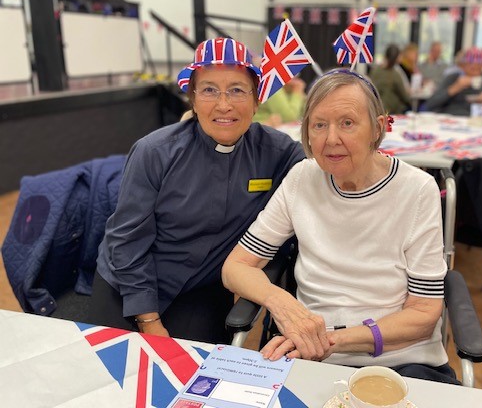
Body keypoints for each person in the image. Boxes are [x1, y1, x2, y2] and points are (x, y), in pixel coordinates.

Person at [222, 70, 457, 384]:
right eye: (319, 125)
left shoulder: (417, 189)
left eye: (347, 122)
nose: (331, 139)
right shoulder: (301, 179)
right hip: (305, 350)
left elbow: (424, 314)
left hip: (402, 360)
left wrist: (331, 341)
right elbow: (235, 267)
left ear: (376, 128)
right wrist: (284, 305)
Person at [89, 37, 305, 343]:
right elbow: (127, 243)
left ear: (257, 100)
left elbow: (322, 169)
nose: (224, 104)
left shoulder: (276, 151)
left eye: (237, 90)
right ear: (192, 99)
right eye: (209, 90)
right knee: (110, 376)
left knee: (196, 380)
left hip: (201, 289)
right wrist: (149, 321)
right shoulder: (155, 152)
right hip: (129, 282)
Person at [424, 47, 482, 115]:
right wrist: (455, 88)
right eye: (470, 63)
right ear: (462, 65)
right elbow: (430, 104)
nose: (475, 66)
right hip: (449, 118)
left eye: (479, 64)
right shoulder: (452, 78)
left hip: (473, 121)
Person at [369, 44, 411, 114]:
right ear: (397, 57)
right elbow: (405, 97)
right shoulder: (395, 74)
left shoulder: (375, 71)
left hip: (375, 109)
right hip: (391, 112)